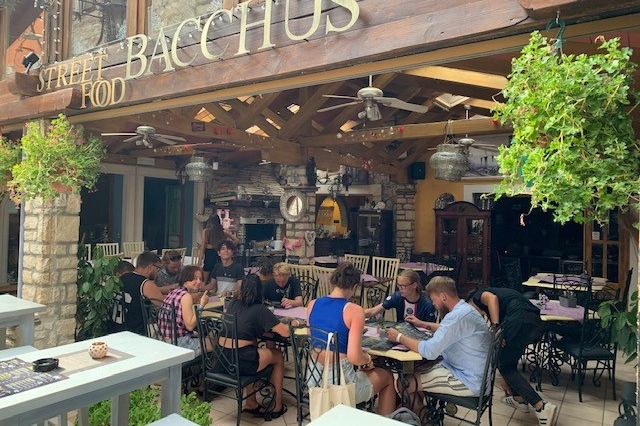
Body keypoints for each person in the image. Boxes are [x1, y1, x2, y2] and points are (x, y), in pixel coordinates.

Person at [386, 276, 490, 415]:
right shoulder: (464, 310)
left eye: (433, 299)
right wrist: (423, 324)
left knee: (404, 383)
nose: (433, 303)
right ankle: (421, 413)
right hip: (474, 374)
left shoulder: (456, 317)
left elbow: (429, 351)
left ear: (443, 297)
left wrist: (399, 337)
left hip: (468, 380)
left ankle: (424, 418)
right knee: (416, 372)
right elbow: (447, 328)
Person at [307, 263, 396, 415]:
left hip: (314, 378)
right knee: (387, 376)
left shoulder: (312, 304)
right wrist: (367, 359)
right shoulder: (354, 310)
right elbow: (354, 357)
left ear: (334, 282)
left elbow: (312, 338)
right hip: (340, 385)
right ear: (355, 287)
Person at [468, 287, 557, 425]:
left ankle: (541, 406)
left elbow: (492, 299)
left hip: (518, 319)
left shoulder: (478, 296)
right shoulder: (500, 296)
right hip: (533, 321)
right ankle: (519, 399)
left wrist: (496, 328)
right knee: (508, 362)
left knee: (505, 367)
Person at [222, 274, 293, 419]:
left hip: (223, 358)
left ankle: (251, 402)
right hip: (241, 360)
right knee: (278, 355)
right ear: (260, 291)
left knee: (252, 346)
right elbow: (285, 332)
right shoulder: (260, 309)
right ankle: (277, 406)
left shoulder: (233, 304)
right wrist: (295, 323)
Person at [159, 265, 209, 355]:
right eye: (194, 279)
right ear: (185, 279)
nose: (198, 282)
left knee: (202, 335)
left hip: (163, 340)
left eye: (200, 279)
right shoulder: (186, 296)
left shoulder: (174, 292)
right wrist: (202, 305)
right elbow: (190, 326)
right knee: (214, 341)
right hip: (178, 344)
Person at [118, 251, 165, 335]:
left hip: (117, 328)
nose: (158, 272)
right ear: (150, 267)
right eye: (158, 268)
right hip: (135, 332)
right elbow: (164, 304)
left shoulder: (122, 278)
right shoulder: (145, 284)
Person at [365, 269, 436, 322]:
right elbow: (373, 311)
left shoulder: (427, 303)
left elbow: (432, 328)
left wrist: (419, 323)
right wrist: (358, 313)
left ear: (414, 285)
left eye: (403, 286)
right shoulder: (398, 297)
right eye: (398, 285)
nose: (400, 289)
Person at [199, 215, 238, 285]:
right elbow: (236, 240)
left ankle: (204, 287)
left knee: (205, 279)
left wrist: (200, 259)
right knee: (217, 276)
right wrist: (228, 247)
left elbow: (203, 246)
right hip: (219, 255)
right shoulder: (222, 232)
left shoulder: (206, 231)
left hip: (209, 255)